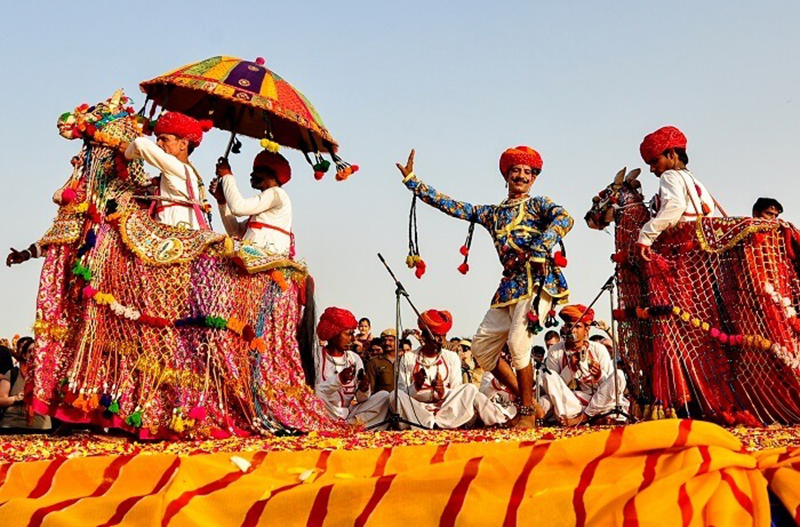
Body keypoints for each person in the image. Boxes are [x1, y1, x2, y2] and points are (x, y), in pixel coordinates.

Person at [395, 147, 574, 427]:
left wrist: (541, 246)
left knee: (517, 344)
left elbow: (565, 218)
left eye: (528, 172)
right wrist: (414, 183)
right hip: (510, 287)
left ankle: (526, 413)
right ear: (506, 176)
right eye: (516, 171)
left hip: (538, 282)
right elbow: (454, 207)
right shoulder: (492, 214)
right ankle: (531, 404)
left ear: (534, 179)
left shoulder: (539, 205)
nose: (522, 176)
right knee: (481, 349)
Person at [392, 309, 508, 429]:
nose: (441, 341)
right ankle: (429, 424)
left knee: (470, 388)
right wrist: (416, 386)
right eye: (436, 337)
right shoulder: (408, 358)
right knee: (394, 395)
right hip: (418, 411)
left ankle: (438, 424)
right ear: (424, 337)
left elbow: (456, 392)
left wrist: (443, 391)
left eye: (443, 336)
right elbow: (402, 393)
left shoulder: (451, 357)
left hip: (445, 411)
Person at [120, 112, 213, 230]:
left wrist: (128, 152)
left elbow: (140, 143)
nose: (158, 144)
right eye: (158, 139)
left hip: (175, 238)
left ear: (183, 144)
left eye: (165, 139)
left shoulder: (177, 167)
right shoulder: (184, 171)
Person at [636, 126, 716, 261]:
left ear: (672, 154)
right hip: (701, 253)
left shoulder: (669, 176)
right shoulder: (694, 180)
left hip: (682, 252)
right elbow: (709, 209)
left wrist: (646, 236)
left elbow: (675, 206)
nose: (652, 169)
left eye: (655, 161)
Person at [540, 305, 629, 426]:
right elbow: (554, 386)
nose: (573, 330)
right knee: (548, 376)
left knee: (619, 376)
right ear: (565, 328)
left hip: (599, 402)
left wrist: (598, 375)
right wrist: (570, 368)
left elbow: (608, 387)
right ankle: (590, 418)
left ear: (586, 330)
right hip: (573, 403)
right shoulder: (555, 351)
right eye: (570, 326)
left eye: (577, 326)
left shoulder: (598, 349)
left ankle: (584, 418)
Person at [313, 307, 390, 428]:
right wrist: (339, 380)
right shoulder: (316, 356)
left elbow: (361, 399)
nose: (352, 339)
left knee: (384, 396)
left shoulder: (354, 358)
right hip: (325, 412)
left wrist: (364, 389)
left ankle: (347, 425)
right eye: (348, 334)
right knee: (314, 393)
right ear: (334, 334)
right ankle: (341, 425)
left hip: (349, 412)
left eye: (353, 334)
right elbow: (315, 391)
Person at [211, 151, 294, 257]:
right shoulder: (265, 210)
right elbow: (235, 232)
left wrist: (227, 175)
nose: (252, 174)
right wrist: (222, 202)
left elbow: (238, 208)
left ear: (271, 175)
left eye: (257, 171)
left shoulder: (277, 193)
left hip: (266, 260)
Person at [0, 339, 51, 432]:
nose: (33, 354)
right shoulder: (12, 374)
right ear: (24, 355)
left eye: (37, 350)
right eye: (30, 351)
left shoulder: (49, 377)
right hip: (12, 426)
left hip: (41, 428)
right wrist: (15, 398)